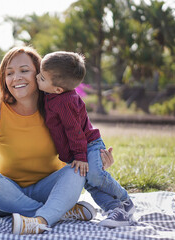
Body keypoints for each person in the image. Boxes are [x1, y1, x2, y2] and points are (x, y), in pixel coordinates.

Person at [0, 46, 115, 235]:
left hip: (48, 188)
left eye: (24, 71)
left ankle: (41, 218)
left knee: (77, 171)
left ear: (41, 74)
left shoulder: (60, 106)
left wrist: (98, 161)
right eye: (9, 73)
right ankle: (57, 212)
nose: (16, 77)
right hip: (2, 194)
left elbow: (84, 139)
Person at [36, 51, 135, 228]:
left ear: (58, 89)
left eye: (42, 78)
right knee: (91, 184)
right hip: (77, 151)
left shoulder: (65, 101)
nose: (37, 78)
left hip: (88, 145)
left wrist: (80, 157)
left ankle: (125, 199)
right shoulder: (52, 94)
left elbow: (74, 131)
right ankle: (115, 210)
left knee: (95, 176)